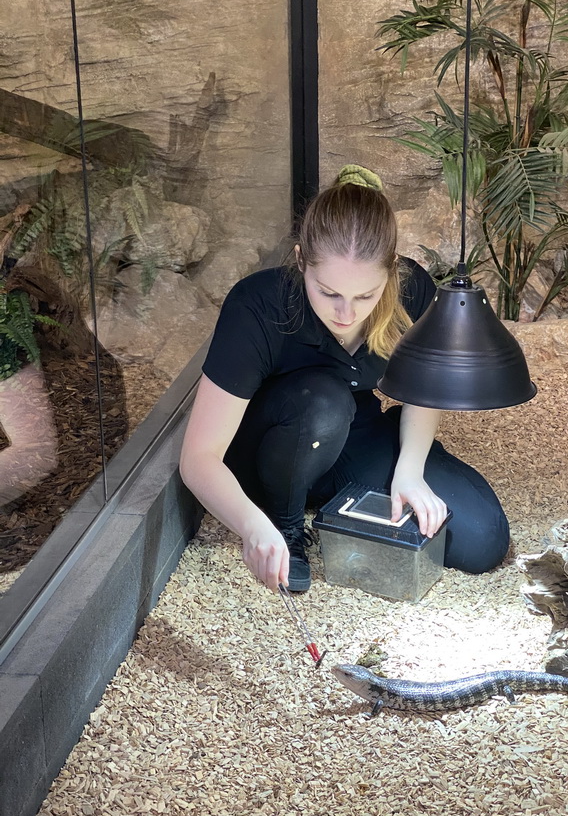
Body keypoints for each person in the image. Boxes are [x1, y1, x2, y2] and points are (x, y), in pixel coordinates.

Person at [180, 165, 510, 593]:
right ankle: (287, 524)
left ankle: (336, 497)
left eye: (365, 296)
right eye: (329, 292)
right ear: (301, 261)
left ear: (391, 271)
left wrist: (409, 471)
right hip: (271, 446)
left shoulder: (413, 292)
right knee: (323, 402)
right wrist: (252, 526)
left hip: (353, 432)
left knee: (482, 539)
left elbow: (422, 394)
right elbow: (198, 457)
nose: (347, 314)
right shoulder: (257, 306)